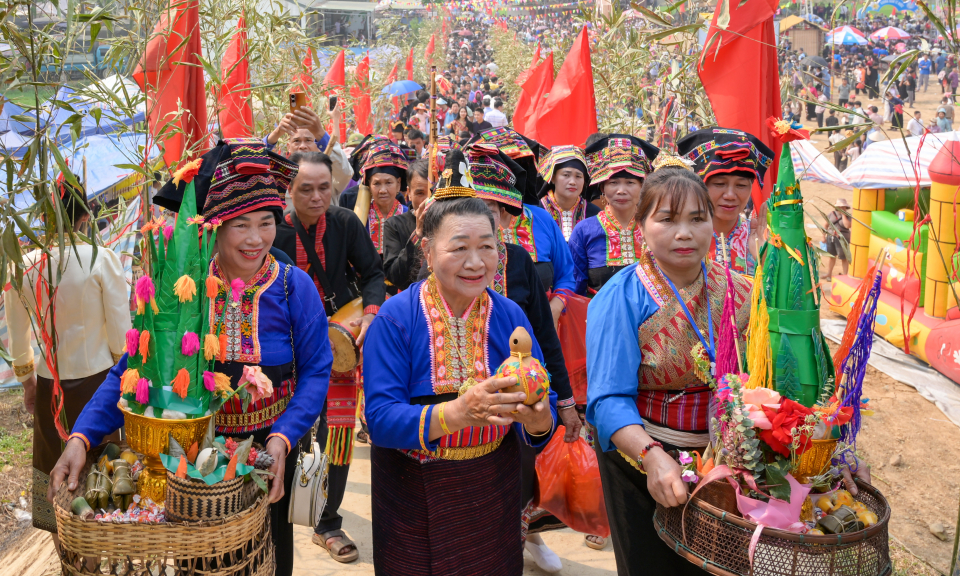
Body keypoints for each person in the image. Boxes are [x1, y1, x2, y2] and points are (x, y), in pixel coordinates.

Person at [50, 140, 332, 576]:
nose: (256, 239)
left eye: (266, 223)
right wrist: (80, 438)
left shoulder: (295, 289)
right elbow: (132, 372)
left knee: (268, 560)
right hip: (190, 465)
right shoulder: (182, 291)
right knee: (199, 563)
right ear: (213, 227)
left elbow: (316, 372)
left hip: (267, 457)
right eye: (240, 225)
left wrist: (282, 438)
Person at [363, 189, 558, 575]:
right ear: (429, 252)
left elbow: (542, 410)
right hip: (411, 490)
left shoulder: (509, 314)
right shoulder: (396, 317)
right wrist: (458, 412)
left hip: (491, 489)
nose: (475, 262)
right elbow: (381, 420)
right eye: (459, 249)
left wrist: (538, 420)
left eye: (487, 247)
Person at [585, 166, 752, 576]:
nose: (685, 233)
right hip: (643, 459)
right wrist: (652, 457)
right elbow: (607, 400)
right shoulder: (620, 297)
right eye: (667, 219)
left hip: (730, 461)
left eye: (698, 219)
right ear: (641, 227)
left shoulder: (742, 290)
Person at [274, 151, 386, 563]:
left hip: (339, 346)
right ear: (289, 189)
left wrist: (371, 315)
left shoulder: (343, 223)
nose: (317, 196)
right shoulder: (273, 230)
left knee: (336, 437)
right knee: (287, 430)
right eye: (306, 189)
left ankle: (327, 522)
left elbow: (373, 273)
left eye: (325, 188)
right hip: (285, 351)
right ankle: (279, 512)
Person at [4, 175, 130, 541]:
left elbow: (18, 336)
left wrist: (29, 381)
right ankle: (105, 538)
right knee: (106, 469)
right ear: (87, 216)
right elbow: (122, 340)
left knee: (51, 468)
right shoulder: (100, 259)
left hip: (48, 387)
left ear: (43, 218)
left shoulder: (23, 266)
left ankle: (62, 541)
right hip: (99, 387)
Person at [676, 127, 774, 276]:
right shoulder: (681, 237)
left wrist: (765, 262)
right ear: (699, 185)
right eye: (719, 184)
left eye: (741, 185)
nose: (730, 195)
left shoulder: (763, 239)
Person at [569, 135, 659, 295]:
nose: (621, 190)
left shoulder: (655, 226)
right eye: (613, 183)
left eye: (630, 183)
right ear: (602, 188)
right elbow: (577, 287)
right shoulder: (584, 231)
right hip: (600, 316)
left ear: (642, 187)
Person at [382, 158, 432, 291]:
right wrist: (418, 233)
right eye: (420, 193)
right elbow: (395, 277)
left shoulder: (451, 223)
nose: (428, 200)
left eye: (433, 192)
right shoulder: (394, 225)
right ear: (409, 193)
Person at [538, 145, 600, 241]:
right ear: (553, 178)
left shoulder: (595, 214)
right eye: (566, 175)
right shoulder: (536, 212)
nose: (572, 182)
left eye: (578, 176)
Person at [360, 139, 410, 257]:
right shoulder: (361, 216)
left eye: (388, 183)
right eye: (376, 184)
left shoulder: (408, 215)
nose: (382, 190)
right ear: (369, 186)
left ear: (398, 184)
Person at [822, 197, 852, 281]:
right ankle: (829, 273)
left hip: (842, 239)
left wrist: (843, 215)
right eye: (840, 207)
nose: (841, 208)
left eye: (843, 207)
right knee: (831, 256)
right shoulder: (831, 214)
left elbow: (847, 226)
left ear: (846, 207)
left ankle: (845, 275)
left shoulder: (849, 216)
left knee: (843, 257)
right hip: (831, 237)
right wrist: (823, 236)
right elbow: (825, 225)